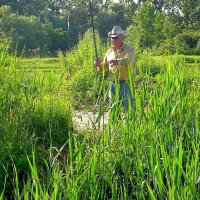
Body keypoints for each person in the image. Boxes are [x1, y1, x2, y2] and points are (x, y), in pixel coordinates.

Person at [94, 25, 137, 114]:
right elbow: (104, 69)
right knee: (113, 111)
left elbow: (130, 60)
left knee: (129, 110)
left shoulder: (130, 49)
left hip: (126, 84)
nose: (113, 40)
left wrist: (117, 61)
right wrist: (99, 65)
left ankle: (131, 126)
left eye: (115, 37)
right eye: (111, 38)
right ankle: (114, 126)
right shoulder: (109, 52)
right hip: (113, 84)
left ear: (121, 37)